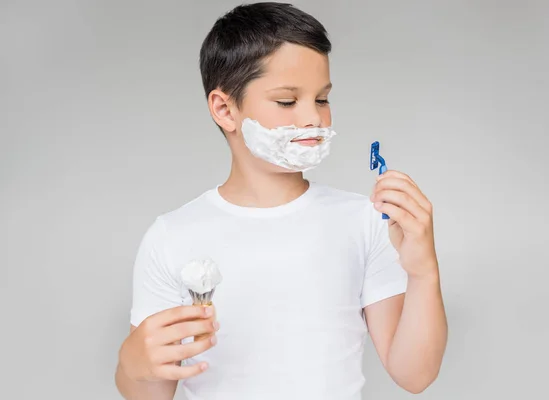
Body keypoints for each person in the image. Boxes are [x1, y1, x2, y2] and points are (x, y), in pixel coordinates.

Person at [115, 2, 447, 399]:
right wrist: (133, 366)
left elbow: (415, 375)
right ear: (225, 109)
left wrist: (424, 271)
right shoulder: (172, 236)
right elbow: (149, 394)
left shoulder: (365, 221)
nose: (313, 118)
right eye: (288, 101)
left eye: (322, 99)